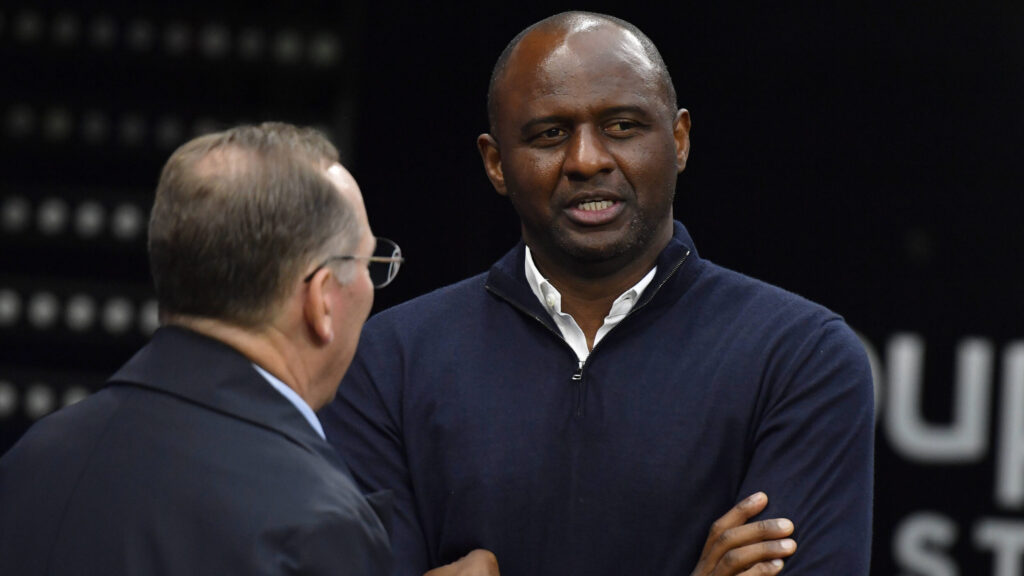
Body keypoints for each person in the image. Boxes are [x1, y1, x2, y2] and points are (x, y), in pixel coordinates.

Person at [321, 10, 874, 576]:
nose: (587, 160)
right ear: (496, 164)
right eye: (550, 134)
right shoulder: (388, 362)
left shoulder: (802, 358)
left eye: (623, 126)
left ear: (679, 140)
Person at [0, 122, 402, 575]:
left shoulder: (29, 460)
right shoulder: (317, 523)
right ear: (322, 298)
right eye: (370, 262)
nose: (372, 284)